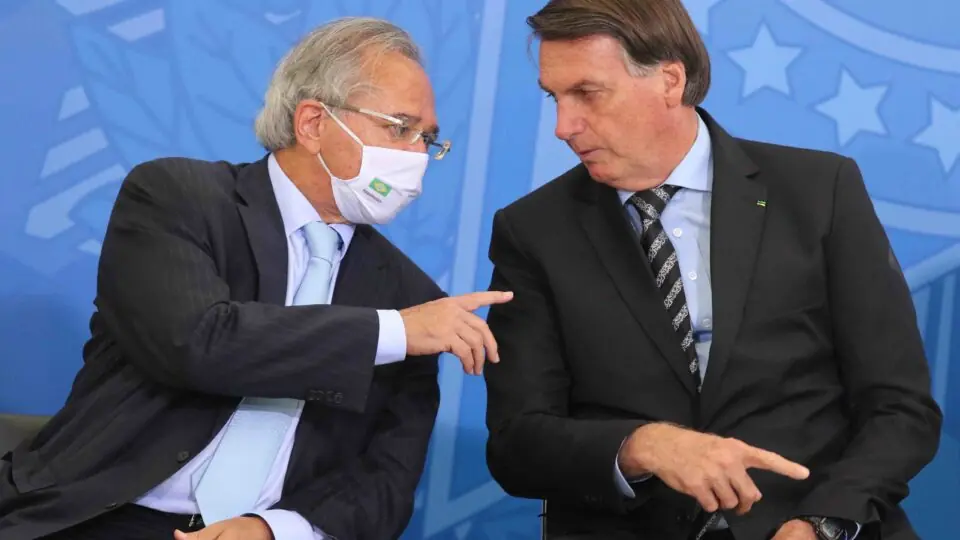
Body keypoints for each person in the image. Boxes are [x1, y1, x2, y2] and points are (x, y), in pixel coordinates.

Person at [0, 17, 510, 540]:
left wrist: (274, 528)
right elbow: (195, 342)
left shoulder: (411, 297)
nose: (418, 155)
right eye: (399, 128)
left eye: (428, 138)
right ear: (313, 123)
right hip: (106, 516)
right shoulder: (178, 197)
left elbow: (385, 480)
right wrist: (392, 332)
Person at [482, 1, 942, 539]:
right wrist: (641, 446)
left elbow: (900, 407)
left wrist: (823, 523)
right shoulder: (533, 231)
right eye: (554, 97)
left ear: (669, 81)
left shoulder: (819, 192)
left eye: (587, 93)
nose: (564, 126)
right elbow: (517, 444)